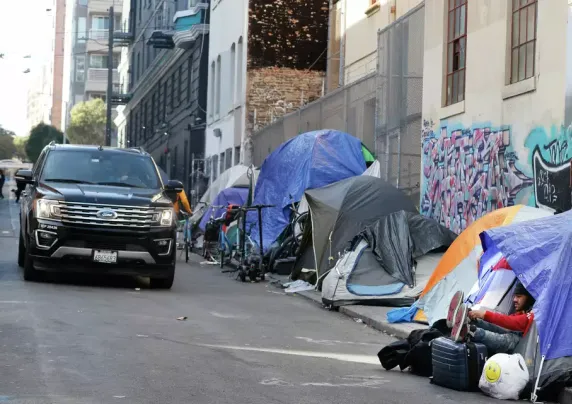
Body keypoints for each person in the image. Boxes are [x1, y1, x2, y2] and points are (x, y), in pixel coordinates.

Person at [447, 281, 535, 355]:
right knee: (497, 327)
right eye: (515, 296)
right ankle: (468, 320)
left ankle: (469, 331)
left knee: (507, 338)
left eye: (519, 296)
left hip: (521, 348)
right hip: (514, 337)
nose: (514, 300)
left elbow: (513, 322)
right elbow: (506, 323)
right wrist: (479, 318)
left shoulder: (534, 314)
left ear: (528, 298)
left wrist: (485, 314)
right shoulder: (522, 312)